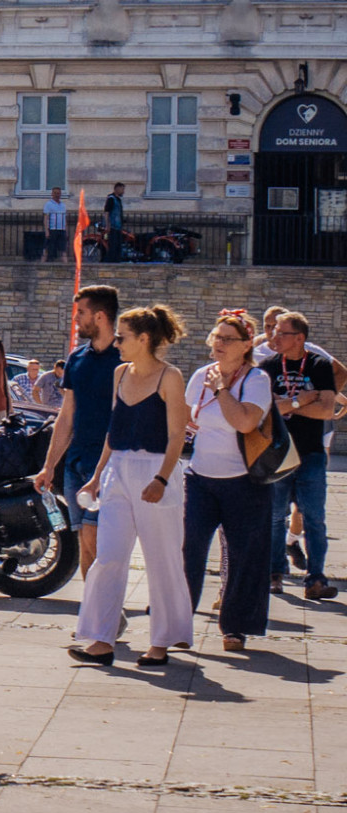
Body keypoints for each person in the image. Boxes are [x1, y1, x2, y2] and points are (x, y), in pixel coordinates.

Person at [68, 305, 192, 667]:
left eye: (122, 337)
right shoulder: (120, 373)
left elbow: (176, 435)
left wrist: (162, 478)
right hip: (118, 469)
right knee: (108, 557)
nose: (117, 342)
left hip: (155, 468)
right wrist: (96, 476)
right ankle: (101, 639)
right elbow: (114, 429)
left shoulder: (170, 377)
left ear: (144, 339)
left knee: (162, 557)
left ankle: (162, 641)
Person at [182, 310, 276, 653]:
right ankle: (178, 619)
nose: (218, 343)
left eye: (227, 338)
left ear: (247, 345)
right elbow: (184, 418)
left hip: (245, 482)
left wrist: (222, 388)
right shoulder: (200, 375)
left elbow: (246, 422)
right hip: (200, 478)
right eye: (215, 336)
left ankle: (235, 627)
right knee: (187, 549)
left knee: (242, 555)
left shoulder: (256, 380)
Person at [36, 286, 121, 578]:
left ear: (99, 316)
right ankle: (95, 616)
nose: (75, 319)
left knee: (95, 541)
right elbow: (66, 415)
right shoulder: (76, 359)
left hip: (108, 466)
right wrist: (49, 466)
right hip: (75, 464)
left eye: (81, 313)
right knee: (86, 543)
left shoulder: (125, 358)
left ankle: (103, 616)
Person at [261, 312, 337, 601]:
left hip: (311, 453)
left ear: (300, 338)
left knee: (314, 518)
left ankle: (315, 578)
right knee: (274, 517)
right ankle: (274, 573)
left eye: (282, 333)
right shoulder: (267, 366)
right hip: (278, 454)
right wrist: (301, 400)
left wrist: (286, 406)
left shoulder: (319, 365)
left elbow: (327, 410)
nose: (274, 337)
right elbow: (266, 410)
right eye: (274, 332)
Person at [104, 183, 128, 261]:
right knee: (113, 246)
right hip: (113, 226)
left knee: (118, 246)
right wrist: (108, 225)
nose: (123, 191)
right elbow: (107, 212)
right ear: (117, 189)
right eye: (122, 189)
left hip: (118, 227)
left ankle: (117, 261)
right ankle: (111, 261)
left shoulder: (118, 200)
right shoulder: (111, 199)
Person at [44, 187, 69, 261]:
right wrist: (46, 231)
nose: (56, 195)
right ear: (52, 194)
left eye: (58, 193)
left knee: (63, 249)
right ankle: (42, 265)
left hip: (62, 229)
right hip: (52, 229)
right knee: (48, 248)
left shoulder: (63, 205)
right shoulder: (48, 204)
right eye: (55, 193)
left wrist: (66, 230)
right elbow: (46, 218)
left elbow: (64, 219)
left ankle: (66, 265)